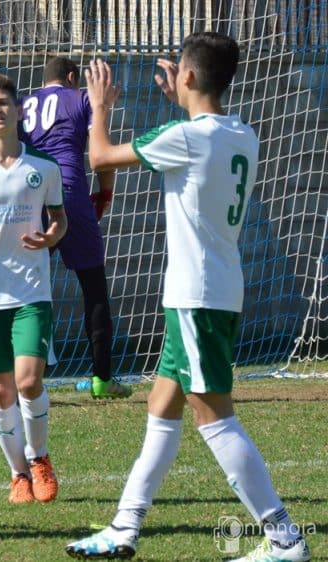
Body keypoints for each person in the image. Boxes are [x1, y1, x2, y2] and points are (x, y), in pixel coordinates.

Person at [65, 32, 311, 561]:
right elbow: (199, 137)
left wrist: (100, 107)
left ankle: (284, 537)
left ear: (190, 76)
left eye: (179, 68)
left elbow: (100, 156)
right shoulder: (241, 133)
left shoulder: (185, 136)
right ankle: (124, 526)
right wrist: (185, 98)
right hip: (214, 289)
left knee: (213, 416)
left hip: (197, 296)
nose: (173, 74)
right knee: (162, 403)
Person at [0, 73, 68, 505]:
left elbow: (59, 220)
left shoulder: (43, 167)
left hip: (31, 291)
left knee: (27, 381)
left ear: (18, 110)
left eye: (3, 103)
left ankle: (39, 457)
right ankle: (17, 474)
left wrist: (51, 236)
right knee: (2, 389)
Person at [19, 57, 131, 400]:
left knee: (22, 286)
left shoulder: (22, 104)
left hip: (30, 194)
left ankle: (14, 374)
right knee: (93, 286)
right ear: (71, 77)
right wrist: (104, 193)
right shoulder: (83, 98)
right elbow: (102, 150)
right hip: (69, 192)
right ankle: (102, 379)